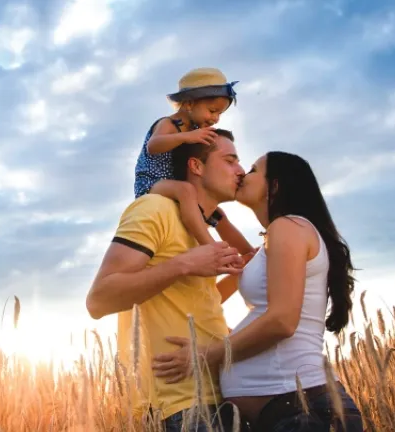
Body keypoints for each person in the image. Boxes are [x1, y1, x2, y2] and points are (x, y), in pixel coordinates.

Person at [152, 151, 365, 431]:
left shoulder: (287, 227)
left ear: (274, 185)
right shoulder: (278, 236)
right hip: (288, 409)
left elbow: (281, 321)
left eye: (252, 169)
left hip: (301, 410)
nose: (242, 173)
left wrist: (206, 355)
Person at [86, 129, 253, 431]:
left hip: (229, 394)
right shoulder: (155, 208)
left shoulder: (203, 227)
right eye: (230, 161)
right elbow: (99, 300)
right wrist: (185, 263)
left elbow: (190, 298)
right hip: (183, 406)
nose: (240, 170)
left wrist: (238, 272)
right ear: (196, 166)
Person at [133, 67, 254, 257]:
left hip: (175, 183)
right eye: (212, 111)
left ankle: (250, 254)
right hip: (152, 184)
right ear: (189, 104)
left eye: (219, 114)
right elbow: (154, 145)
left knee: (218, 215)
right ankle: (211, 248)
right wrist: (187, 137)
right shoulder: (170, 124)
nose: (215, 118)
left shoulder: (195, 128)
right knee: (186, 191)